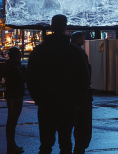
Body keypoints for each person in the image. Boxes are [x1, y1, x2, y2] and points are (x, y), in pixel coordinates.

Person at [27, 15, 90, 154]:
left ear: (51, 27)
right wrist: (77, 101)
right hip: (67, 104)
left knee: (45, 144)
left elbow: (30, 78)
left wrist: (38, 98)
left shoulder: (39, 51)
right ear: (65, 28)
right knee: (66, 142)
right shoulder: (75, 51)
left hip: (46, 104)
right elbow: (84, 79)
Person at [71, 31, 93, 154]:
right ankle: (79, 147)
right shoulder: (79, 53)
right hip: (82, 95)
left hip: (71, 94)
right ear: (79, 39)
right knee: (83, 123)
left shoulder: (68, 51)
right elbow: (85, 74)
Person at [3, 47, 26, 154]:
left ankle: (11, 144)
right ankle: (10, 145)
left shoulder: (11, 66)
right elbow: (20, 81)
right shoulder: (14, 67)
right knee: (12, 121)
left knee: (12, 121)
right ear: (16, 55)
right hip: (15, 96)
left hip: (14, 96)